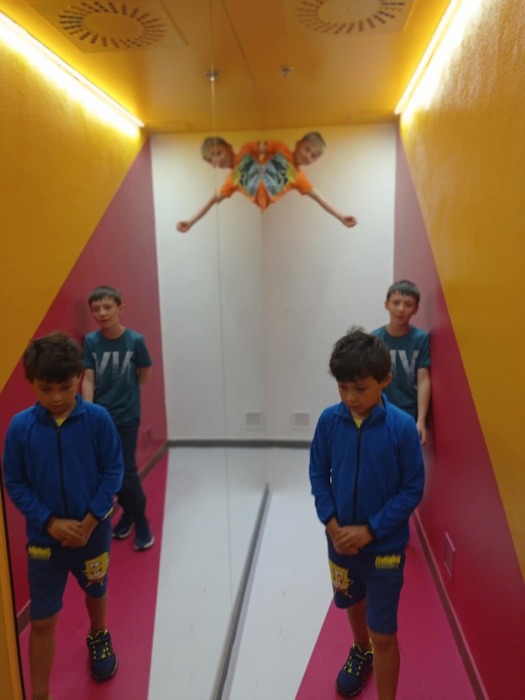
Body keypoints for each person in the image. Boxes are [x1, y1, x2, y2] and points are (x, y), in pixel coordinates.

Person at [2, 332, 124, 700]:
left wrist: (91, 519)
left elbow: (113, 470)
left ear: (78, 378)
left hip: (93, 534)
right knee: (42, 619)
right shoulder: (20, 428)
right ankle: (40, 693)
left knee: (96, 589)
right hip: (45, 542)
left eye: (66, 387)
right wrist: (50, 522)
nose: (56, 397)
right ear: (31, 383)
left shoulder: (98, 420)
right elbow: (15, 481)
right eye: (46, 389)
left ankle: (98, 634)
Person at [309, 328, 425, 700]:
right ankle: (361, 650)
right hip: (339, 544)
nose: (350, 398)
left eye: (360, 388)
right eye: (343, 388)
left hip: (384, 550)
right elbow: (318, 474)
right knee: (351, 601)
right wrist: (332, 525)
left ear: (385, 381)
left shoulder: (402, 428)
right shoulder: (329, 421)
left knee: (384, 634)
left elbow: (412, 489)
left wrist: (370, 531)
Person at [82, 285, 154, 551]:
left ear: (120, 309)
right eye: (96, 309)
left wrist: (127, 395)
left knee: (126, 472)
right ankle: (129, 513)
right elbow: (88, 379)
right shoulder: (91, 342)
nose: (102, 313)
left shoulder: (135, 341)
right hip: (101, 419)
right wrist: (88, 413)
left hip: (127, 417)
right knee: (108, 472)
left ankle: (141, 520)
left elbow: (144, 374)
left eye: (107, 307)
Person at [176, 132, 357, 231]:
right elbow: (213, 199)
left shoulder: (297, 177)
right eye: (210, 160)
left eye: (313, 155)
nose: (308, 156)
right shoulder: (233, 179)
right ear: (298, 144)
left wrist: (341, 216)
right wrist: (191, 222)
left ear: (228, 147)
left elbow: (317, 196)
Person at [371, 280, 431, 445]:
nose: (401, 309)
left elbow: (423, 379)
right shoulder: (374, 339)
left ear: (416, 309)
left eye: (408, 304)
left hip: (409, 412)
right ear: (386, 305)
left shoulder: (421, 339)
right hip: (379, 410)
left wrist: (421, 420)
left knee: (403, 456)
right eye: (396, 303)